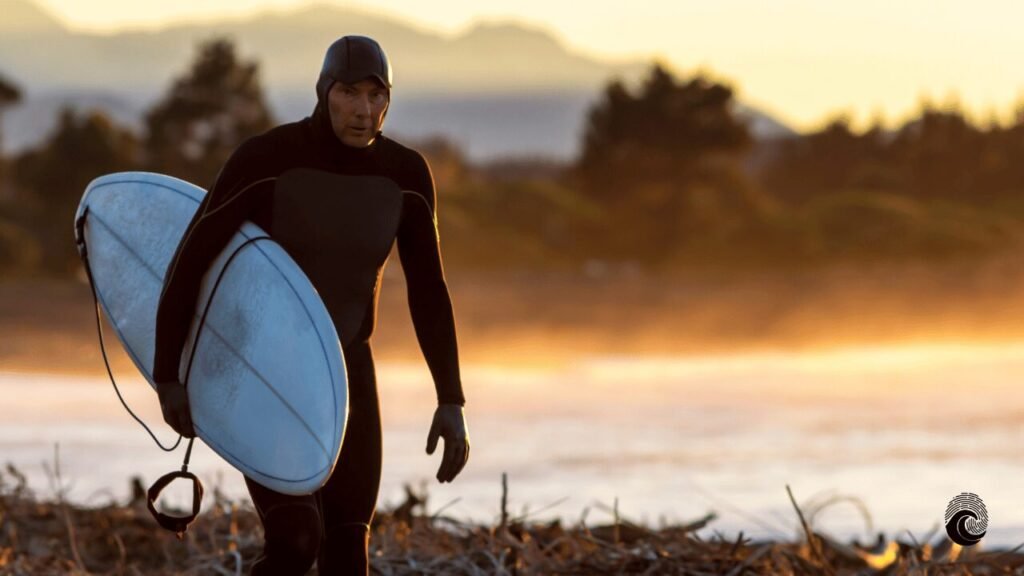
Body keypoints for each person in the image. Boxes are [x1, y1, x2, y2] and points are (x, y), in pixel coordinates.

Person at [151, 35, 470, 575]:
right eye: (349, 93)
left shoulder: (406, 176)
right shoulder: (268, 159)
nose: (364, 110)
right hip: (264, 376)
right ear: (324, 93)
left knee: (348, 556)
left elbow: (429, 291)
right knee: (297, 542)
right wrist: (168, 376)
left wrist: (451, 399)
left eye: (376, 95)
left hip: (348, 378)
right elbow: (190, 261)